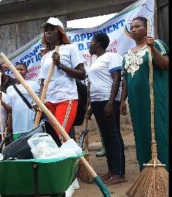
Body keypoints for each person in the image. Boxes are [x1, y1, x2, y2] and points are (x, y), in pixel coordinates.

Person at [120, 16, 169, 171]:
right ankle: (147, 170)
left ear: (147, 28)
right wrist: (122, 100)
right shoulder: (127, 54)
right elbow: (126, 79)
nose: (133, 29)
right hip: (136, 101)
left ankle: (163, 169)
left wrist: (152, 48)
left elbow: (165, 65)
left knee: (159, 131)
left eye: (138, 26)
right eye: (132, 27)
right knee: (141, 133)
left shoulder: (157, 44)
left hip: (155, 98)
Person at [86, 32, 126, 185]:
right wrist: (90, 110)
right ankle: (111, 170)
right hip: (97, 102)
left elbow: (116, 78)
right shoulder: (94, 62)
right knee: (106, 136)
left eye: (92, 42)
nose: (90, 45)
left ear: (99, 43)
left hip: (108, 101)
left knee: (113, 135)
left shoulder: (111, 56)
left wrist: (111, 102)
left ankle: (119, 173)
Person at [38, 17, 86, 141]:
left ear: (60, 32)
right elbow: (43, 83)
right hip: (49, 101)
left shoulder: (70, 49)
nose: (48, 33)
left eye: (52, 29)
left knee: (58, 137)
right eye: (46, 30)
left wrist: (60, 65)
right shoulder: (45, 57)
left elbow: (82, 74)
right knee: (52, 138)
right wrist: (39, 102)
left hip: (66, 98)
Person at [0, 63, 40, 140]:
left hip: (31, 125)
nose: (19, 71)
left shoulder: (33, 85)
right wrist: (2, 102)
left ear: (26, 71)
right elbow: (10, 109)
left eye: (21, 69)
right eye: (17, 69)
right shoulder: (9, 89)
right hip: (17, 127)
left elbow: (40, 103)